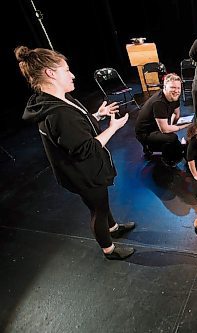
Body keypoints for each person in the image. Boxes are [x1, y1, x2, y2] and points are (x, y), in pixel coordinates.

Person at [15, 46, 135, 260]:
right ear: (50, 73)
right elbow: (85, 147)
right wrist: (113, 128)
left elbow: (75, 130)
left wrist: (97, 115)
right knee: (98, 209)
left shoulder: (54, 101)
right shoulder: (58, 113)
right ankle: (109, 249)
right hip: (83, 173)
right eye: (66, 70)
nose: (72, 75)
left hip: (81, 170)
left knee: (102, 203)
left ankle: (114, 227)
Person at [135, 73, 191, 166]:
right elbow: (164, 129)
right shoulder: (159, 102)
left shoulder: (175, 96)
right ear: (164, 87)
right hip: (145, 132)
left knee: (173, 138)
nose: (176, 90)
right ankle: (168, 160)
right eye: (172, 87)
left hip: (157, 126)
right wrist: (181, 127)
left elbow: (176, 114)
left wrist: (173, 126)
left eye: (178, 88)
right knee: (172, 138)